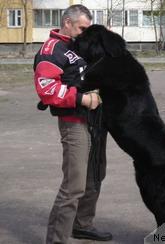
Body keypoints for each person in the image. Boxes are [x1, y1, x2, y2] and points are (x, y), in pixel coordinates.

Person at [33, 4, 112, 244]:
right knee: (74, 185)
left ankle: (82, 225)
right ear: (67, 23)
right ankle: (56, 240)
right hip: (74, 122)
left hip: (96, 122)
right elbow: (47, 89)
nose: (85, 32)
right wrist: (83, 98)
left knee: (95, 176)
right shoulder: (51, 49)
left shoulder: (79, 45)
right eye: (82, 27)